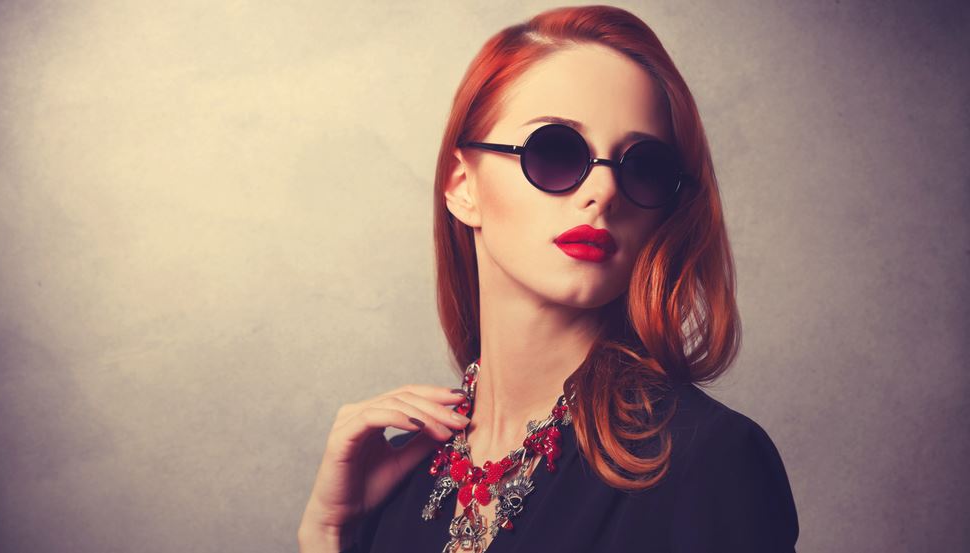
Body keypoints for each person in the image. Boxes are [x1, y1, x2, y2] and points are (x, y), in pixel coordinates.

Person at [297, 5, 799, 552]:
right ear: (463, 185)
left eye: (642, 167)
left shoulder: (709, 461)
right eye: (556, 151)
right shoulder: (391, 480)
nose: (603, 192)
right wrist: (327, 533)